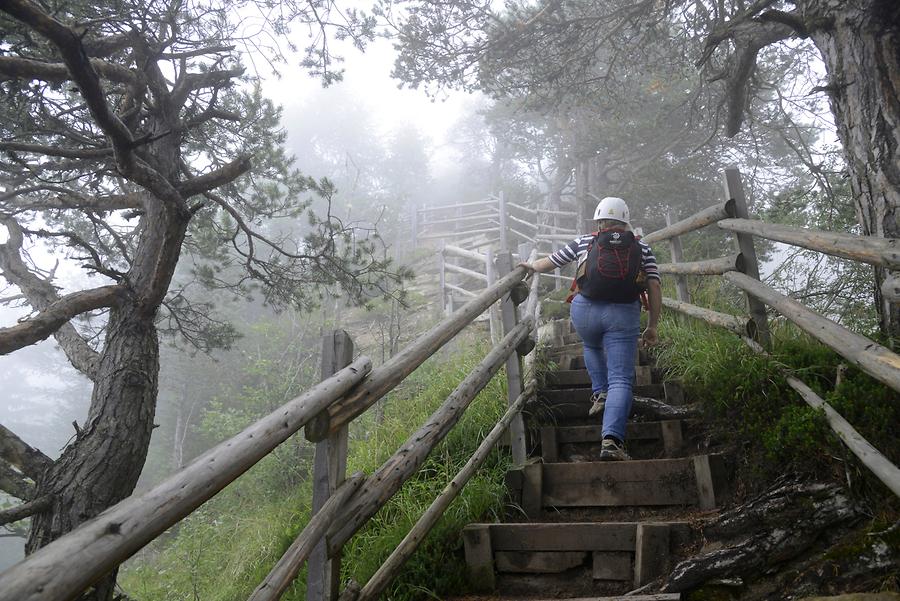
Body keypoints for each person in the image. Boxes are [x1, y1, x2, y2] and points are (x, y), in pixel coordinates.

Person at [520, 196, 662, 461]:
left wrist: (532, 266)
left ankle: (600, 392)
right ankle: (611, 442)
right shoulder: (641, 248)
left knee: (592, 344)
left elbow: (554, 260)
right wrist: (652, 326)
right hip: (623, 314)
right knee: (621, 378)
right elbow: (654, 285)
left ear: (599, 221)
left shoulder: (586, 241)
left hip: (585, 310)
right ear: (625, 220)